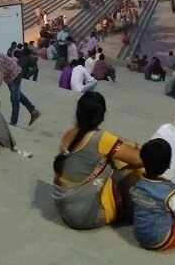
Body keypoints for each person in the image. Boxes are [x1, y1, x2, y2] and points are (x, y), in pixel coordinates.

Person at [52, 92, 143, 229]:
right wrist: (137, 147)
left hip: (64, 207)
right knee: (136, 169)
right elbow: (139, 159)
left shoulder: (70, 132)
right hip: (84, 214)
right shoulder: (101, 139)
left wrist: (132, 144)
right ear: (102, 115)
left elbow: (112, 139)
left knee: (112, 158)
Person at [0, 53, 42, 126]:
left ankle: (13, 122)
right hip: (7, 76)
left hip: (15, 73)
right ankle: (33, 111)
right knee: (18, 95)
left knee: (14, 98)